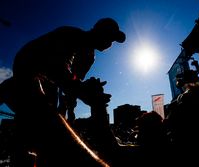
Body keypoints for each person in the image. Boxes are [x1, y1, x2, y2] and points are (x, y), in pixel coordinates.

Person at [0, 17, 126, 167]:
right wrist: (82, 91)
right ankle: (22, 153)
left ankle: (37, 154)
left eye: (112, 41)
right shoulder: (70, 34)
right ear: (98, 31)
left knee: (45, 126)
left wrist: (80, 95)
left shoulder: (89, 57)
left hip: (49, 81)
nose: (110, 43)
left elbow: (72, 82)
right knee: (41, 116)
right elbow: (58, 70)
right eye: (109, 37)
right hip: (28, 67)